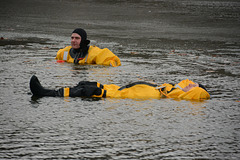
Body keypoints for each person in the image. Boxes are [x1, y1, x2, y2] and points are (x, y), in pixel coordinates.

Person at [30, 75, 210, 100]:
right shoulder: (175, 86)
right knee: (88, 84)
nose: (191, 84)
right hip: (127, 89)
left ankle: (47, 93)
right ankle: (51, 91)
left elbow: (202, 95)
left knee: (91, 91)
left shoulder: (195, 92)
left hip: (134, 95)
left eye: (194, 85)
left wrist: (193, 88)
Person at [55, 28, 121, 67]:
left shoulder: (95, 52)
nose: (73, 40)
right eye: (72, 38)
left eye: (77, 38)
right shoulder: (64, 52)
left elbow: (114, 62)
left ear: (83, 40)